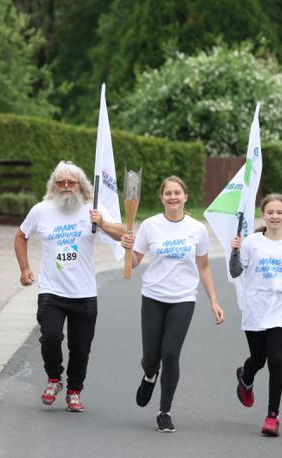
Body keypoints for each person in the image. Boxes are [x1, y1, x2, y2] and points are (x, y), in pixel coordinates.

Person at [14, 161, 125, 413]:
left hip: (84, 293)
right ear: (53, 185)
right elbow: (21, 235)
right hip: (51, 291)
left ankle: (74, 390)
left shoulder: (92, 209)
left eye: (70, 182)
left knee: (80, 347)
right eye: (60, 182)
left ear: (80, 185)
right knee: (50, 337)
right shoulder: (41, 210)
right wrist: (24, 268)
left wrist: (104, 224)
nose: (65, 187)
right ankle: (54, 378)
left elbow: (124, 234)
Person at [120, 175, 225, 432]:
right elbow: (134, 262)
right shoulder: (149, 226)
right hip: (153, 297)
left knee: (170, 353)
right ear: (162, 198)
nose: (173, 197)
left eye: (177, 192)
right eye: (168, 193)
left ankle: (164, 411)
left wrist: (214, 300)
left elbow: (204, 265)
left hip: (183, 299)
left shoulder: (196, 228)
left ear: (185, 196)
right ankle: (149, 374)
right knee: (150, 357)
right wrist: (126, 249)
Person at [229, 193, 282, 437]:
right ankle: (245, 376)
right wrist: (235, 251)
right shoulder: (252, 242)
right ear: (263, 214)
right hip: (254, 309)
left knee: (276, 360)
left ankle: (272, 416)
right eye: (270, 212)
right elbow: (235, 272)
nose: (275, 216)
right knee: (258, 359)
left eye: (279, 212)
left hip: (279, 311)